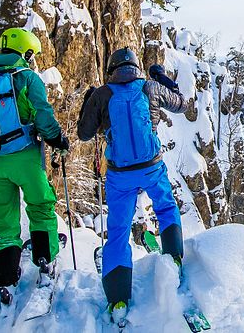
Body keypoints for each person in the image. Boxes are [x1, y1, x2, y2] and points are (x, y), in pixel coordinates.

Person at [0, 28, 69, 304]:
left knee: (1, 221)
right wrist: (58, 139)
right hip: (24, 155)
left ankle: (4, 280)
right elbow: (42, 114)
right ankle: (45, 259)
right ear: (26, 52)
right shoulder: (26, 77)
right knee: (41, 204)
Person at [77, 47, 187, 323]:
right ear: (137, 67)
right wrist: (164, 79)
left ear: (112, 70)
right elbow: (182, 104)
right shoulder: (149, 87)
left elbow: (84, 133)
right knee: (165, 207)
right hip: (151, 166)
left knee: (118, 231)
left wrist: (89, 100)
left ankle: (118, 302)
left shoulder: (103, 94)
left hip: (119, 175)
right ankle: (173, 261)